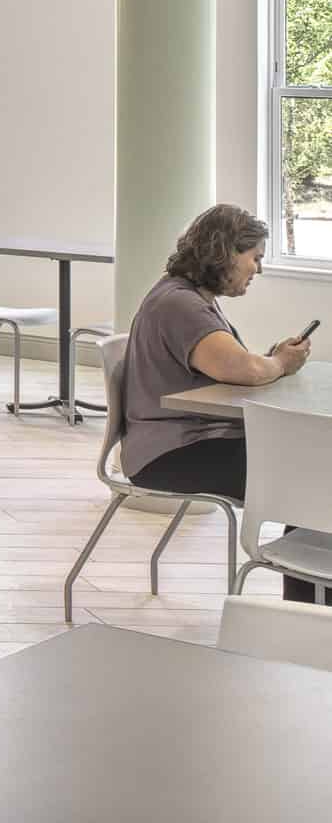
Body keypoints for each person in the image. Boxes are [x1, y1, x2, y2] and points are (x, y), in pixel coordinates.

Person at [121, 203, 317, 602]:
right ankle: (309, 610)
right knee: (312, 481)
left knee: (314, 474)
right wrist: (277, 361)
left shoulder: (189, 298)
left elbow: (229, 369)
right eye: (255, 258)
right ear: (226, 251)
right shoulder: (181, 304)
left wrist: (271, 361)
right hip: (172, 453)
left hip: (190, 441)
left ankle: (310, 605)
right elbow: (242, 369)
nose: (257, 270)